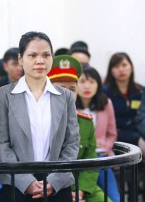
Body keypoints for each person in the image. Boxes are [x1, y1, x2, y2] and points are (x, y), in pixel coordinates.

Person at [0, 31, 80, 202]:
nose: (40, 61)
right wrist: (26, 182)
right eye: (32, 55)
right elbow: (1, 144)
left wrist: (54, 181)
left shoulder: (65, 96)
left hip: (58, 186)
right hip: (16, 185)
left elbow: (72, 143)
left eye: (46, 55)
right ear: (20, 59)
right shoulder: (4, 95)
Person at [48, 55, 112, 202]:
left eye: (72, 89)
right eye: (61, 88)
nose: (68, 94)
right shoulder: (38, 121)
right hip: (50, 188)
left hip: (81, 187)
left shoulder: (85, 122)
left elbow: (91, 161)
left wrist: (81, 191)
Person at [76, 65, 119, 202]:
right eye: (82, 81)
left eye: (92, 82)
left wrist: (105, 147)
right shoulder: (70, 104)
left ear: (98, 85)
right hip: (79, 160)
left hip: (101, 157)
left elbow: (112, 133)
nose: (87, 86)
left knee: (114, 198)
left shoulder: (106, 103)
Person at [103, 52, 144, 155]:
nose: (121, 69)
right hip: (116, 134)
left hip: (138, 131)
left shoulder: (140, 91)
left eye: (124, 65)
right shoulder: (104, 92)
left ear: (131, 68)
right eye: (116, 66)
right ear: (111, 71)